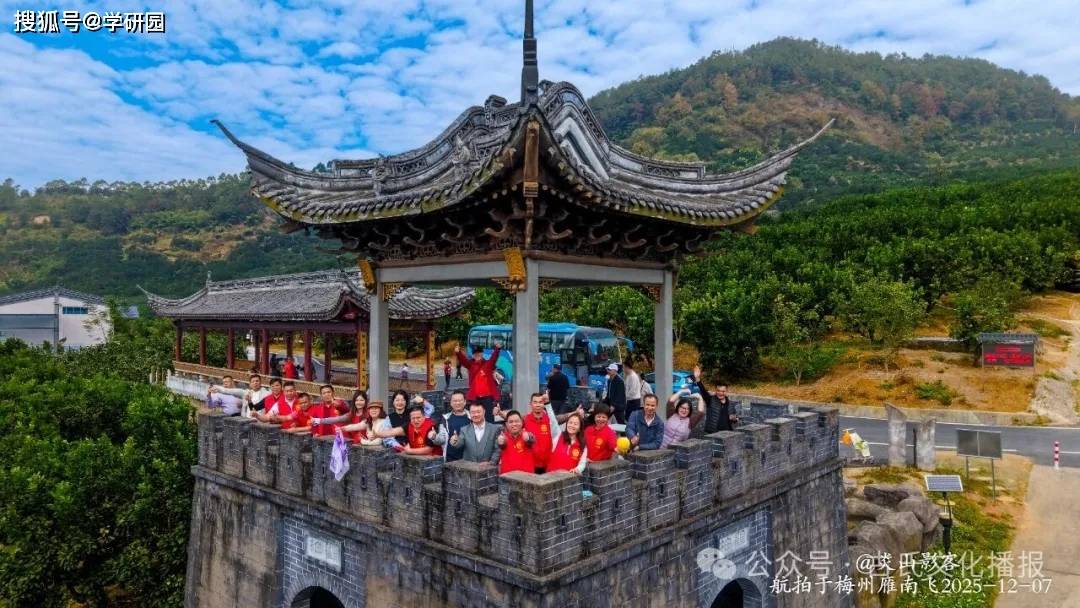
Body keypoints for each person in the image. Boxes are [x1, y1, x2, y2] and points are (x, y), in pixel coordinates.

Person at [455, 342, 502, 423]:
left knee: (489, 419)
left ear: (482, 353)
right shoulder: (470, 364)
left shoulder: (488, 364)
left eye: (479, 353)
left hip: (487, 397)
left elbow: (494, 358)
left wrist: (497, 349)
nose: (477, 355)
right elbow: (463, 360)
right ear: (473, 355)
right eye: (475, 353)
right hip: (475, 398)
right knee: (476, 419)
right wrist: (458, 353)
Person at [690, 365, 737, 433]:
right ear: (716, 390)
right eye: (718, 391)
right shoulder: (710, 400)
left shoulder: (731, 404)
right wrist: (697, 378)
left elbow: (734, 419)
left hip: (727, 435)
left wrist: (735, 419)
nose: (720, 393)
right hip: (713, 434)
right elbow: (703, 391)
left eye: (723, 391)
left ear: (726, 391)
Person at [522, 392, 559, 473]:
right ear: (530, 404)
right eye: (535, 402)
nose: (538, 405)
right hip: (531, 464)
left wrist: (575, 413)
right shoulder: (525, 420)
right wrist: (500, 413)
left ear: (543, 404)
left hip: (548, 463)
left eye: (540, 402)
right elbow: (513, 421)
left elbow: (558, 426)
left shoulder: (549, 419)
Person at [441, 391, 472, 462]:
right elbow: (441, 438)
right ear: (451, 403)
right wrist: (434, 437)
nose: (457, 403)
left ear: (465, 402)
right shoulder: (445, 418)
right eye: (455, 401)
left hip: (468, 458)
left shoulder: (472, 417)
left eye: (460, 400)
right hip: (450, 458)